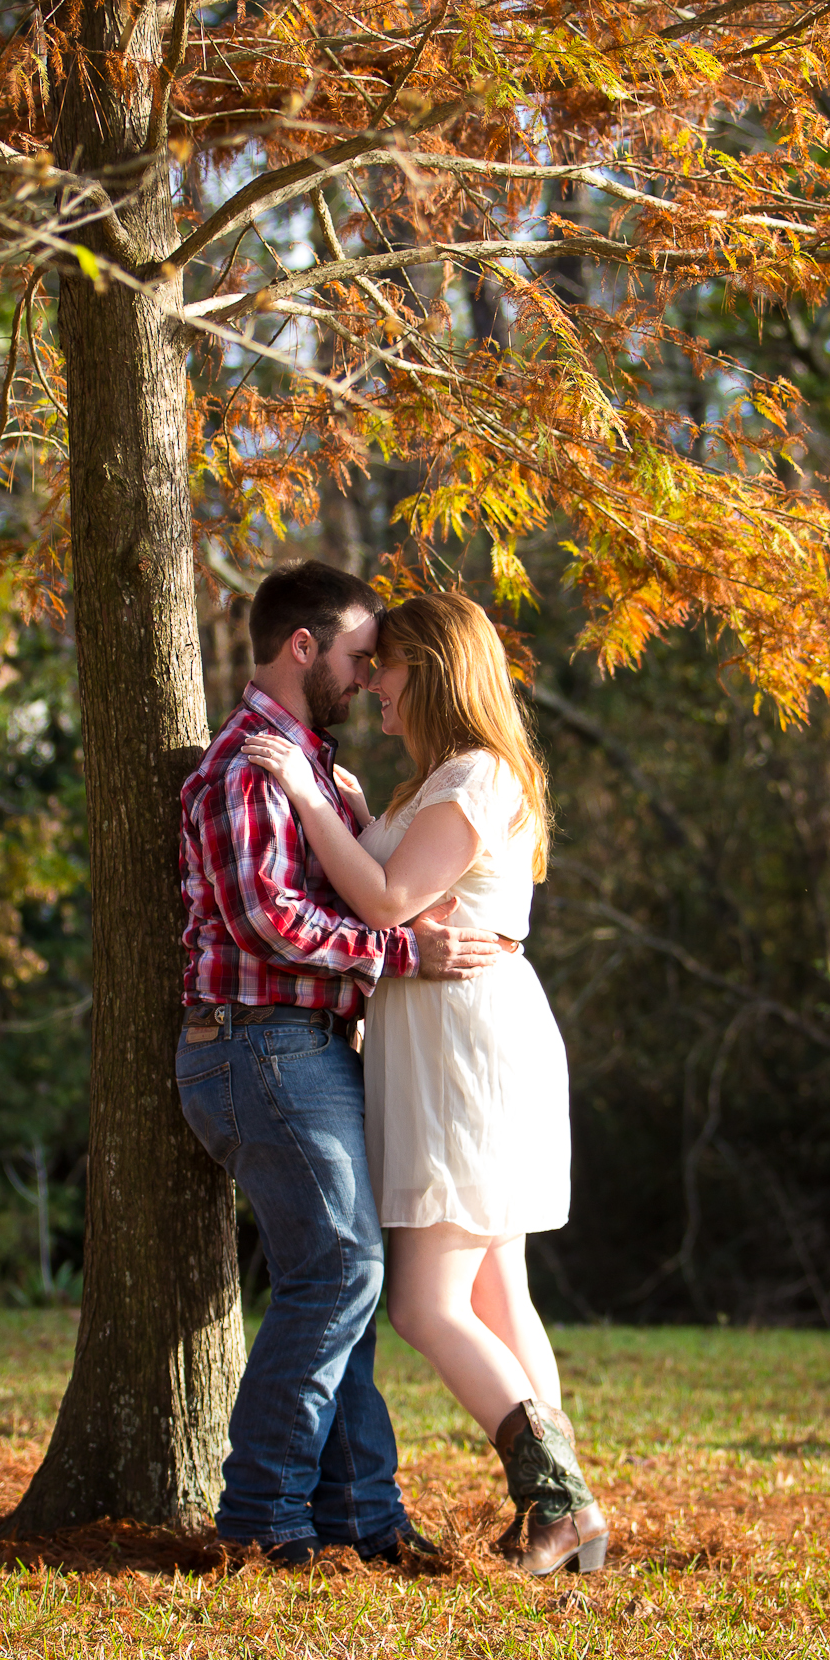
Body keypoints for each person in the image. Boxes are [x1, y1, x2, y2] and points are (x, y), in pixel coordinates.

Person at [243, 591, 607, 1576]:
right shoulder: (435, 784)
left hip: (463, 1044)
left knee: (427, 1303)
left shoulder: (473, 776)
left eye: (387, 666)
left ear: (433, 667)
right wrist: (362, 814)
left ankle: (561, 1503)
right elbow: (399, 884)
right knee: (496, 1286)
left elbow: (391, 899)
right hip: (446, 1033)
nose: (372, 684)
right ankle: (569, 1510)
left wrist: (315, 804)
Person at [175, 561, 505, 1565]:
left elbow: (354, 882)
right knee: (346, 1270)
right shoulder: (245, 766)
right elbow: (270, 919)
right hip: (256, 1046)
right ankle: (264, 1518)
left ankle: (362, 1513)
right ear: (304, 647)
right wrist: (409, 951)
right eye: (360, 658)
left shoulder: (305, 765)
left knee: (340, 1279)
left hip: (301, 1047)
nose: (369, 679)